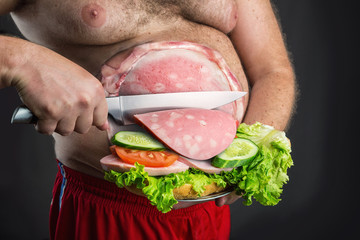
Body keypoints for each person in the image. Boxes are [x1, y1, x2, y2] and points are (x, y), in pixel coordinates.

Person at [0, 0, 296, 239]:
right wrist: (22, 59)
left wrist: (246, 156)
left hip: (209, 209)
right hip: (111, 210)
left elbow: (272, 71)